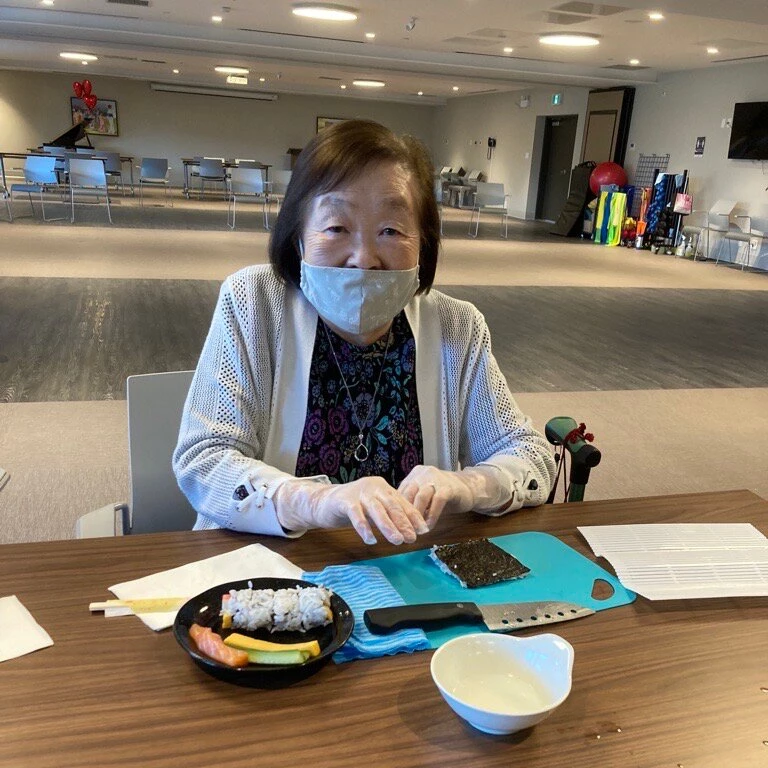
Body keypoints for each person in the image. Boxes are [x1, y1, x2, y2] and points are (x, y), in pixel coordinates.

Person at [173, 119, 555, 546]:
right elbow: (203, 461)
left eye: (391, 231)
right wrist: (317, 501)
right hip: (271, 577)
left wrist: (466, 486)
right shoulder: (254, 303)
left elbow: (532, 456)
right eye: (337, 227)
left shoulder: (456, 326)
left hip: (411, 575)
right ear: (298, 236)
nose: (364, 258)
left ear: (423, 245)